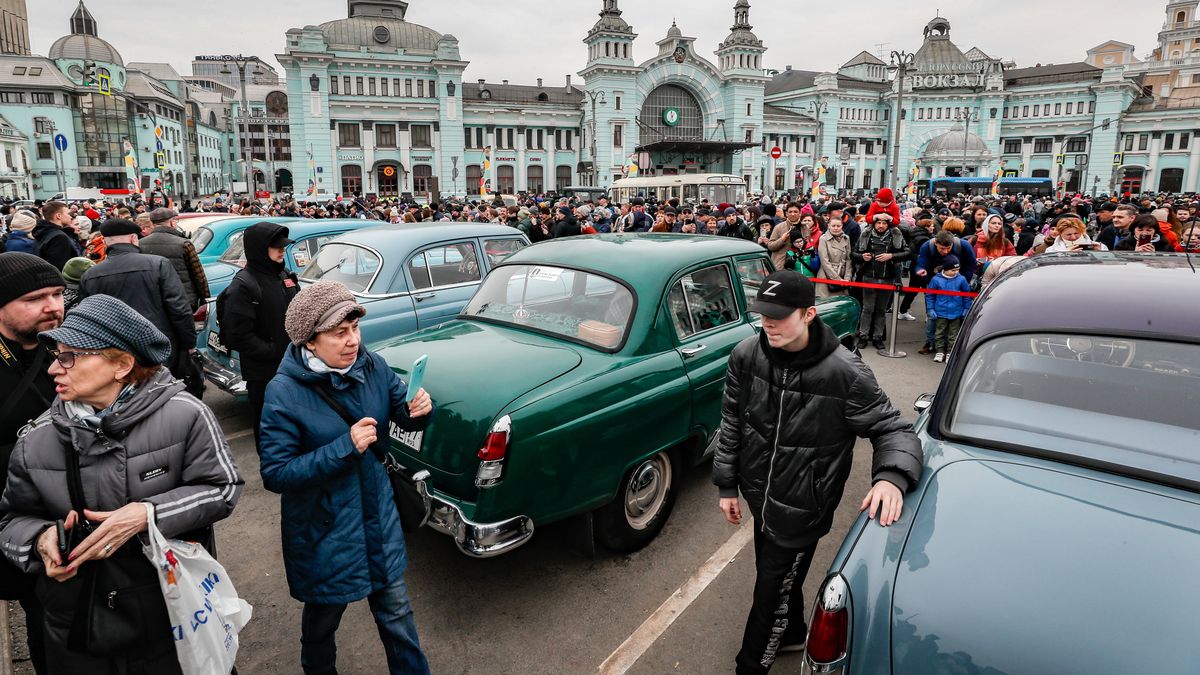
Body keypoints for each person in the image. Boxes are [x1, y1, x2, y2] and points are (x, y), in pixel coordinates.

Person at [0, 294, 242, 675]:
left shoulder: (186, 416)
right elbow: (12, 519)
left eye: (69, 356)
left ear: (122, 365)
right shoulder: (35, 439)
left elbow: (223, 487)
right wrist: (38, 541)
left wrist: (148, 514)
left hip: (175, 616)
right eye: (55, 355)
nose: (53, 370)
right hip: (78, 629)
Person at [713, 271, 922, 675]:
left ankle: (751, 666)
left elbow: (893, 429)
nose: (767, 323)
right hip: (762, 497)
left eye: (778, 315)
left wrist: (891, 477)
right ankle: (792, 633)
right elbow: (732, 421)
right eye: (762, 314)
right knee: (774, 581)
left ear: (809, 313)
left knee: (768, 598)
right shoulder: (746, 354)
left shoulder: (845, 372)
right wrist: (727, 484)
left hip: (804, 508)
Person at [259, 281, 434, 675]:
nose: (352, 341)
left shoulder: (372, 365)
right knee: (323, 622)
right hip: (325, 530)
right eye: (339, 333)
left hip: (378, 516)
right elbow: (275, 473)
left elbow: (398, 410)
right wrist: (344, 447)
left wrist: (419, 409)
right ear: (310, 341)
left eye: (355, 329)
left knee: (398, 617)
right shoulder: (284, 392)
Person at [0, 252, 65, 675]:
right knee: (45, 623)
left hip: (80, 515)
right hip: (17, 522)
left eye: (59, 294)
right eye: (36, 298)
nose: (53, 306)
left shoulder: (74, 343)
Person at [77, 218, 198, 388]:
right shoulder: (158, 264)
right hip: (160, 344)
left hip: (116, 349)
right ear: (134, 239)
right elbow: (178, 307)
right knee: (164, 390)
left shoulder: (91, 275)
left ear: (105, 242)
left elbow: (87, 319)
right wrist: (189, 343)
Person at [221, 222, 301, 447]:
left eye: (283, 246)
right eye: (275, 246)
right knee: (269, 428)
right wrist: (273, 351)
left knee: (293, 423)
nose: (281, 250)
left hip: (291, 366)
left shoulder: (284, 274)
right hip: (264, 374)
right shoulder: (243, 285)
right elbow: (237, 335)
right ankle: (273, 472)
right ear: (259, 249)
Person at [852, 214, 910, 349]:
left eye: (884, 223)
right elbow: (853, 254)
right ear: (874, 223)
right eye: (878, 223)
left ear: (888, 224)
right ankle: (863, 336)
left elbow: (907, 253)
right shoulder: (866, 234)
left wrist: (891, 255)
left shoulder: (896, 235)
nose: (881, 225)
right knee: (867, 309)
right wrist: (862, 257)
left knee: (881, 310)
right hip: (868, 277)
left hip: (888, 278)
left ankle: (877, 337)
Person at [138, 208, 210, 310]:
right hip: (183, 300)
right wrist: (205, 299)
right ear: (172, 223)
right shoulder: (184, 243)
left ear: (153, 224)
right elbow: (199, 276)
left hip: (155, 301)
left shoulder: (140, 245)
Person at [925, 254, 973, 363]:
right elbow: (930, 296)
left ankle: (950, 352)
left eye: (958, 269)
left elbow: (967, 295)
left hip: (956, 312)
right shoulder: (936, 280)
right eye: (953, 270)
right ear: (945, 269)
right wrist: (930, 309)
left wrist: (966, 308)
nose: (956, 272)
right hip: (940, 312)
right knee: (939, 333)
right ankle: (940, 351)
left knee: (953, 334)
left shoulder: (961, 279)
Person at [32, 202, 80, 271]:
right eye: (67, 214)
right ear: (59, 216)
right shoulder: (59, 237)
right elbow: (60, 267)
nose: (70, 216)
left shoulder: (43, 231)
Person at [814, 217, 852, 297]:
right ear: (828, 226)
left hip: (843, 275)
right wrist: (837, 279)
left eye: (838, 226)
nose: (836, 228)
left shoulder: (846, 238)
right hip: (827, 275)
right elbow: (824, 261)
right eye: (833, 226)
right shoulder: (823, 239)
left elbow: (848, 258)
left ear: (842, 226)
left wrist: (847, 277)